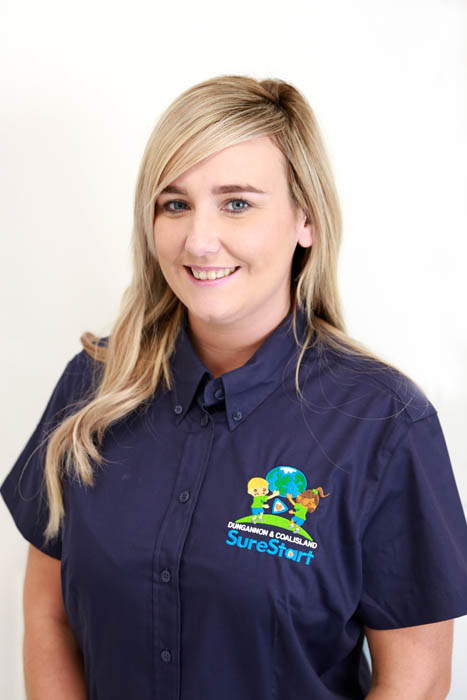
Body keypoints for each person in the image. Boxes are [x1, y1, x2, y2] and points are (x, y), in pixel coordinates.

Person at [1, 74, 467, 700]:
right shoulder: (92, 385)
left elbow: (417, 679)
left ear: (306, 219)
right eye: (175, 204)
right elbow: (48, 613)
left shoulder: (384, 423)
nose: (199, 241)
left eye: (237, 204)